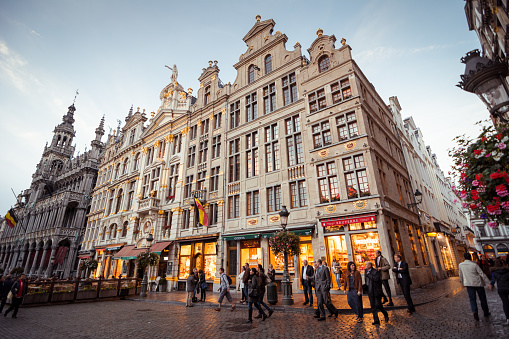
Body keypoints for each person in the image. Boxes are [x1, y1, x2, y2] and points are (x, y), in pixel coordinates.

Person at [459, 252, 491, 321]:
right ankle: (486, 312)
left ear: (464, 258)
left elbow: (460, 275)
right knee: (482, 298)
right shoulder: (474, 265)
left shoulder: (461, 265)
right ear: (470, 258)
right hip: (478, 283)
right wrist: (488, 283)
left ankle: (475, 312)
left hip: (469, 284)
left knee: (472, 299)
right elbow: (482, 274)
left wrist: (462, 282)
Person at [490, 259, 509, 326]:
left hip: (501, 289)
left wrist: (491, 285)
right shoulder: (507, 270)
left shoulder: (494, 272)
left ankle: (508, 318)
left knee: (505, 303)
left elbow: (493, 280)